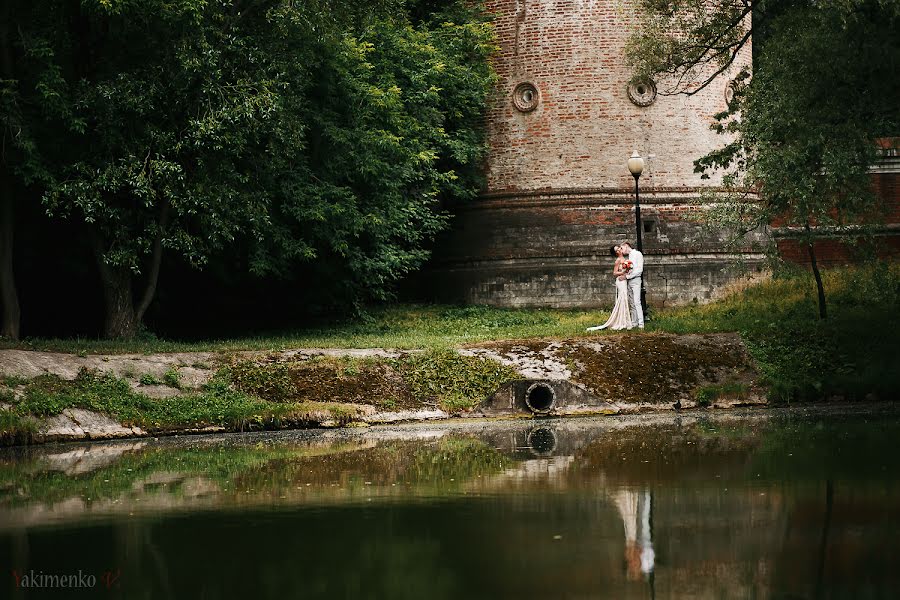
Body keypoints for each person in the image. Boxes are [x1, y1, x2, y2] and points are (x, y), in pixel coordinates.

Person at [586, 245, 633, 331]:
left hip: (625, 280)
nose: (619, 249)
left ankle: (625, 320)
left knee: (625, 299)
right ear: (616, 253)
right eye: (617, 249)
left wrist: (628, 271)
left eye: (618, 247)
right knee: (622, 299)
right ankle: (622, 321)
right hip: (620, 281)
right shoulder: (618, 260)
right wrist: (622, 272)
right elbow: (614, 273)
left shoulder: (625, 259)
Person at [620, 241, 644, 329]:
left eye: (622, 248)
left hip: (636, 281)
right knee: (632, 303)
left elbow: (639, 270)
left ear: (626, 246)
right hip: (630, 281)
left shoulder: (638, 254)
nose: (622, 251)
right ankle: (634, 323)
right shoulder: (629, 257)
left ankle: (641, 324)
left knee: (637, 302)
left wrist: (628, 276)